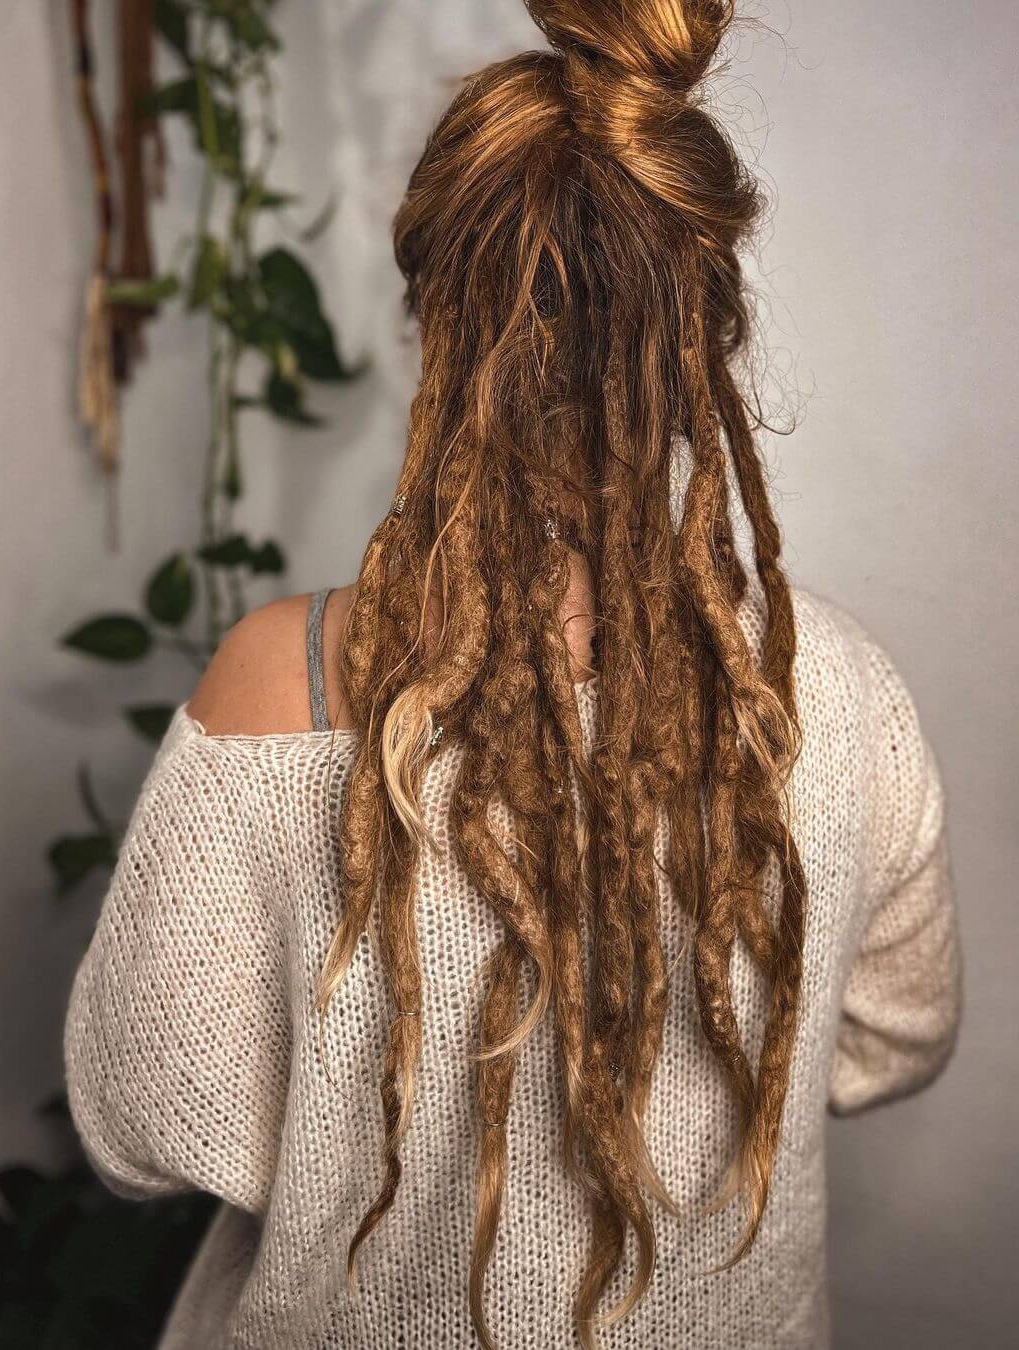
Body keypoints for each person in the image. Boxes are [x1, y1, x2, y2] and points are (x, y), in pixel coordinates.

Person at [63, 2, 962, 1346]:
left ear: (438, 323)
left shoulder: (284, 686)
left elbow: (147, 1120)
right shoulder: (834, 693)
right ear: (703, 332)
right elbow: (897, 1035)